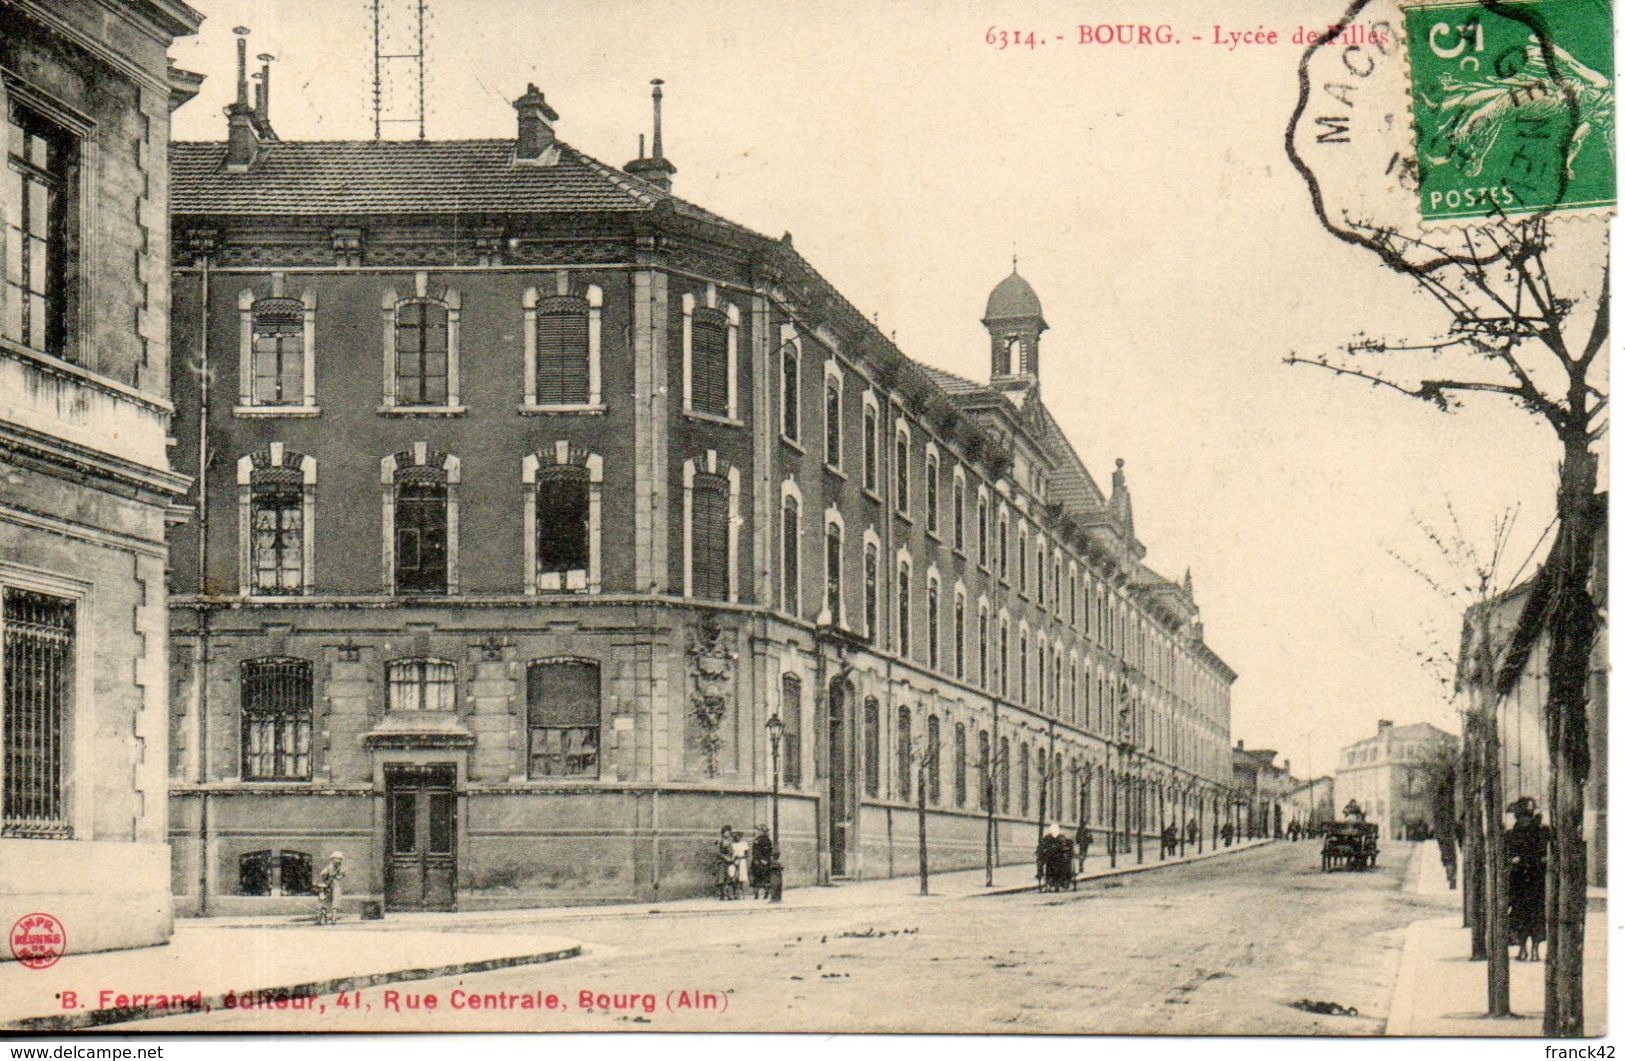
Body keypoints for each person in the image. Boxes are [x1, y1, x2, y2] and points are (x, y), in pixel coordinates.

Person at [1506, 798, 1548, 961]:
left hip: (1520, 880)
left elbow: (1509, 854)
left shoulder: (1514, 832)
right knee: (1537, 913)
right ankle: (1536, 950)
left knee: (1520, 913)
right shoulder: (1542, 830)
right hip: (1537, 879)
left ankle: (1523, 950)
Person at [316, 851, 345, 925]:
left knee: (335, 900)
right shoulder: (329, 867)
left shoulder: (342, 868)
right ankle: (323, 917)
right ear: (333, 859)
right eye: (336, 859)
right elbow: (323, 875)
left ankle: (334, 918)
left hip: (335, 884)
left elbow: (341, 875)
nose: (338, 860)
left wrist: (337, 877)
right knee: (323, 901)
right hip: (326, 885)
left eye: (339, 859)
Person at [749, 824, 774, 899]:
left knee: (765, 877)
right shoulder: (756, 840)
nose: (758, 832)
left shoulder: (767, 840)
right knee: (756, 877)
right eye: (758, 830)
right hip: (756, 861)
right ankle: (756, 894)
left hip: (764, 861)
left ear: (763, 831)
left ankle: (766, 893)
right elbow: (754, 852)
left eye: (760, 830)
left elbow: (768, 851)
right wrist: (757, 859)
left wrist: (765, 860)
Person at [714, 826, 737, 900]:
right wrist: (725, 857)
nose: (728, 834)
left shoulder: (731, 841)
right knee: (721, 878)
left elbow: (733, 850)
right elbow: (717, 852)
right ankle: (722, 894)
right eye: (726, 832)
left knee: (730, 877)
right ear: (723, 833)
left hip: (730, 861)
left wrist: (733, 857)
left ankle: (729, 894)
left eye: (729, 832)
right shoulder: (719, 841)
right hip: (722, 861)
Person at [730, 829, 751, 900]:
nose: (736, 838)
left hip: (742, 861)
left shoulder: (744, 844)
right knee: (734, 876)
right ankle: (735, 893)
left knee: (741, 877)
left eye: (738, 836)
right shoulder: (732, 845)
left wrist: (741, 857)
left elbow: (747, 854)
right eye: (734, 836)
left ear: (740, 836)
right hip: (734, 861)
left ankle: (742, 893)